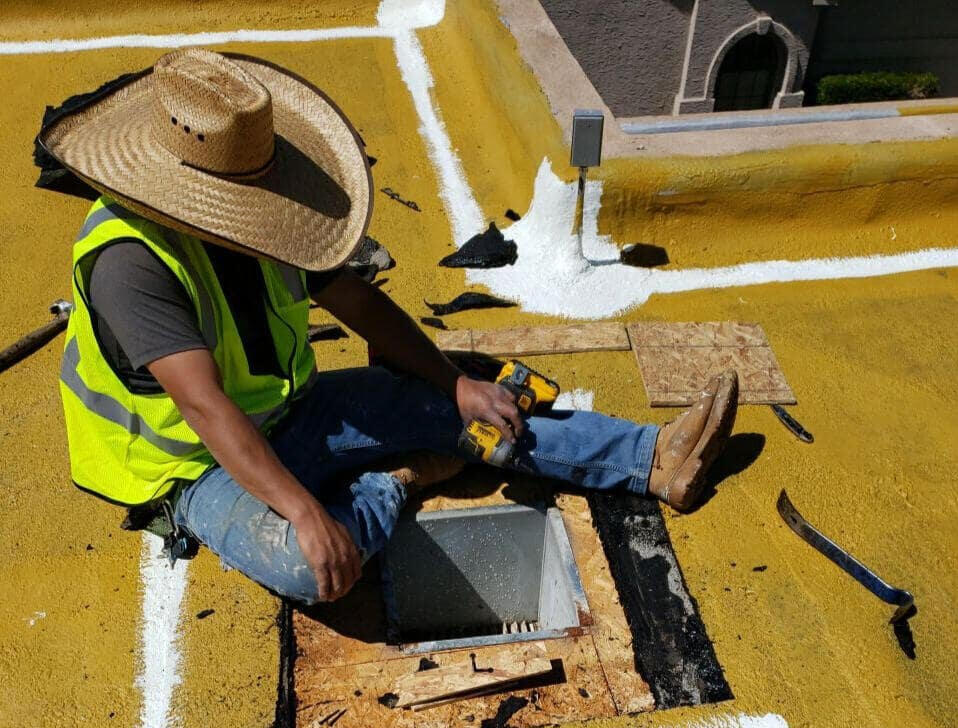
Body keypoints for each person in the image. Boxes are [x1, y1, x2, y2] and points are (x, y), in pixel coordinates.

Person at [40, 48, 739, 606]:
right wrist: (305, 513)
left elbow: (360, 303)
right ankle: (396, 481)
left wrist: (451, 381)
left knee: (472, 409)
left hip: (294, 411)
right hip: (196, 467)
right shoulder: (130, 262)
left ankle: (651, 458)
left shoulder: (262, 212)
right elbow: (204, 407)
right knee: (310, 567)